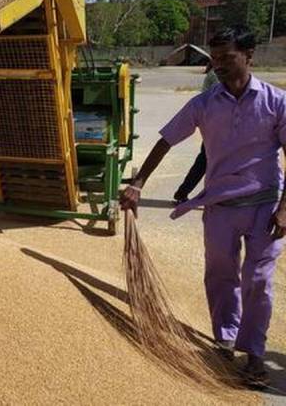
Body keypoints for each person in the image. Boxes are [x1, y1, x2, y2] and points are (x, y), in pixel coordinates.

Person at [120, 27, 286, 387]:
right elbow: (166, 140)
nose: (219, 66)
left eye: (227, 58)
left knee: (258, 281)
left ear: (249, 56)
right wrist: (137, 182)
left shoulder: (276, 102)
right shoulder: (205, 103)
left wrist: (285, 209)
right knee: (221, 275)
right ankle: (225, 339)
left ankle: (254, 355)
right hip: (220, 206)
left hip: (265, 206)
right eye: (216, 60)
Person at [173, 61, 219, 203]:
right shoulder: (216, 75)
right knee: (206, 161)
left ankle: (184, 192)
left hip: (214, 123)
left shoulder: (214, 74)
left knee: (205, 161)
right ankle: (184, 193)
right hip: (216, 124)